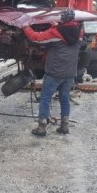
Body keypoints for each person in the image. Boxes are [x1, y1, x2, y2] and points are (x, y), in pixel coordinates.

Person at [23, 8, 82, 136]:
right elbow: (67, 34)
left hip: (54, 73)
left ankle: (42, 127)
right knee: (64, 98)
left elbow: (36, 38)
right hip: (70, 73)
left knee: (45, 98)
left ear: (62, 19)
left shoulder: (56, 33)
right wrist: (57, 26)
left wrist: (25, 27)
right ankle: (64, 126)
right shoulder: (79, 32)